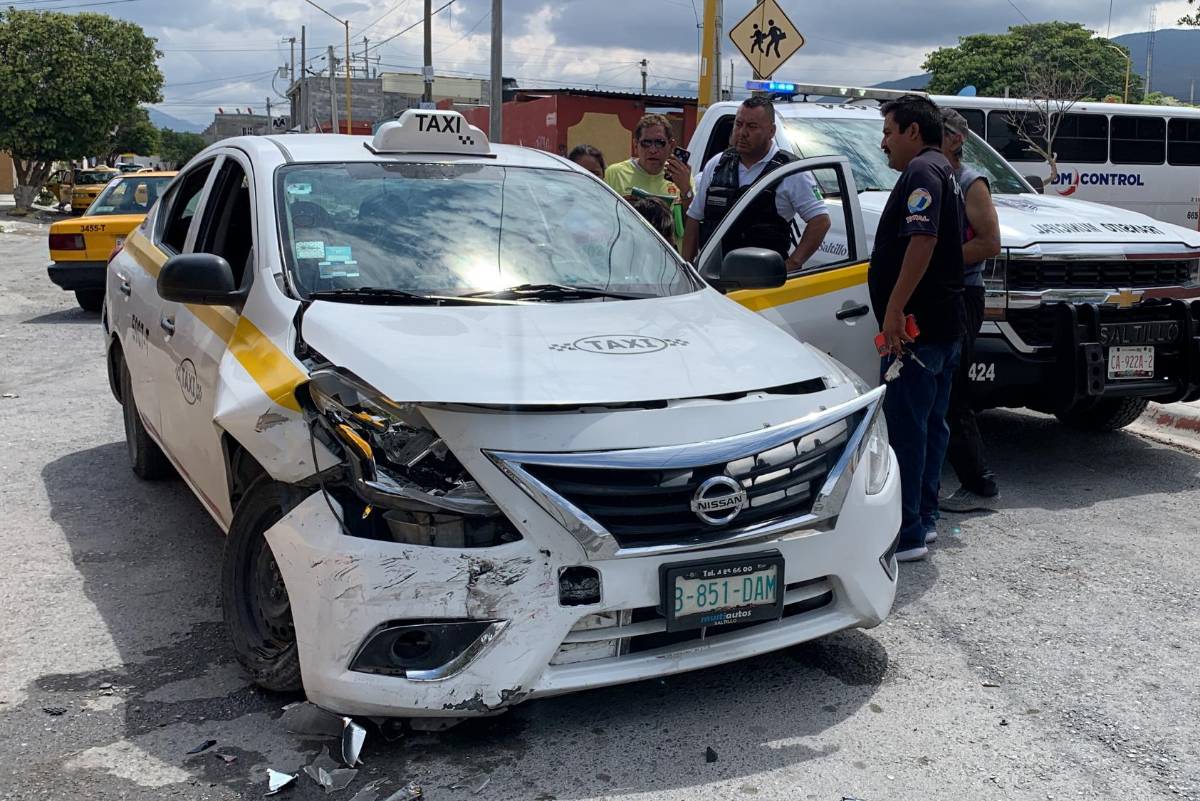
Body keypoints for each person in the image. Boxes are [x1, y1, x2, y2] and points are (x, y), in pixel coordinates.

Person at [870, 94, 965, 563]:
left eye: (889, 132)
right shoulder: (943, 169)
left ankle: (906, 533)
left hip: (917, 331)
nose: (883, 142)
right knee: (929, 427)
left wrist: (894, 308)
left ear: (912, 131)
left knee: (907, 431)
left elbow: (922, 240)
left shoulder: (923, 172)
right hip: (941, 326)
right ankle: (923, 520)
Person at [682, 95, 830, 271]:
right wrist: (687, 269)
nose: (742, 133)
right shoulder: (717, 164)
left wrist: (792, 264)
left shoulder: (790, 171)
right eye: (738, 124)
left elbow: (820, 221)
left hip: (763, 281)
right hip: (714, 277)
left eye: (752, 126)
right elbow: (694, 218)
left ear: (771, 131)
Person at [938, 107, 1002, 513]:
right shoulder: (930, 176)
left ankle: (978, 483)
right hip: (939, 292)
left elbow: (989, 243)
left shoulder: (970, 183)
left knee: (955, 391)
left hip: (963, 293)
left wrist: (935, 261)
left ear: (956, 139)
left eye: (937, 132)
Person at [604, 114, 694, 248]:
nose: (652, 150)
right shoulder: (615, 174)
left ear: (671, 145)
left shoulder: (680, 176)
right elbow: (604, 220)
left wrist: (686, 191)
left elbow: (691, 227)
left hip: (668, 255)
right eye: (646, 143)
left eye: (659, 143)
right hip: (628, 252)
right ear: (635, 145)